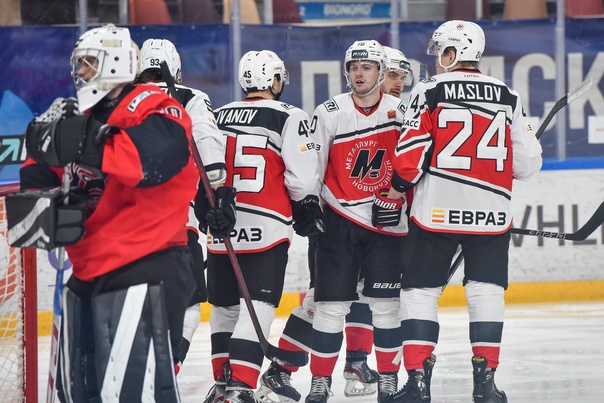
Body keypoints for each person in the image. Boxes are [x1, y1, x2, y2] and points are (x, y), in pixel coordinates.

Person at [18, 24, 199, 401]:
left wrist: (80, 137)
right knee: (77, 391)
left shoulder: (152, 103)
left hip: (147, 265)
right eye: (78, 64)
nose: (79, 72)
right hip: (88, 270)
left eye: (88, 62)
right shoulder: (78, 114)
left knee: (133, 392)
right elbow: (40, 164)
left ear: (115, 63)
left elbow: (156, 157)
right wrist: (45, 192)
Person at [377, 21, 542, 403]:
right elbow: (528, 165)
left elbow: (410, 157)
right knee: (486, 293)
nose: (438, 59)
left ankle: (418, 382)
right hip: (491, 215)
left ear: (454, 53)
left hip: (435, 212)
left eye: (441, 52)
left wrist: (396, 190)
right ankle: (485, 384)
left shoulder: (430, 90)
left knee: (419, 294)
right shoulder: (508, 95)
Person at [204, 50, 323, 403]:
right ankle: (241, 386)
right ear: (273, 80)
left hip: (221, 223)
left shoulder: (218, 115)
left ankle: (222, 383)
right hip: (266, 225)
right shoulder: (290, 115)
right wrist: (305, 205)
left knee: (224, 307)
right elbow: (302, 178)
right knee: (258, 305)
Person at [301, 39, 408, 403]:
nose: (359, 74)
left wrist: (406, 202)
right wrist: (309, 203)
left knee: (387, 307)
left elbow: (415, 164)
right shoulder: (330, 111)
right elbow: (312, 166)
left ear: (381, 72)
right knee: (330, 307)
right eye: (353, 67)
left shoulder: (401, 112)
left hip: (388, 223)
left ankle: (389, 379)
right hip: (340, 221)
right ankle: (320, 382)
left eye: (367, 67)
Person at [135, 37, 228, 374]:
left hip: (126, 223)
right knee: (188, 302)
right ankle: (168, 370)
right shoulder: (190, 97)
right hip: (176, 222)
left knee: (129, 302)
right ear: (175, 69)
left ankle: (129, 372)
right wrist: (219, 193)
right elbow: (209, 152)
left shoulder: (122, 97)